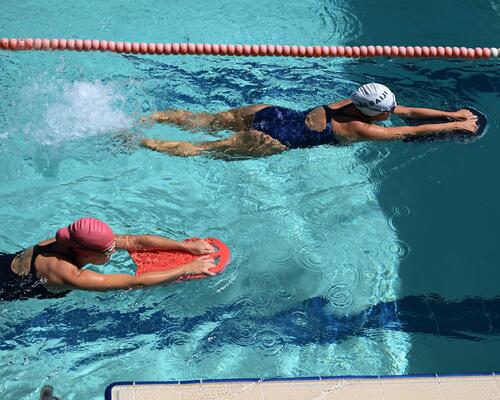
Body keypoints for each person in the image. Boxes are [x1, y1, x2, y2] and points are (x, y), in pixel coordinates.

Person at [140, 82, 478, 158]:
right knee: (205, 148)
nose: (395, 112)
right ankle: (145, 142)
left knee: (204, 121)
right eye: (389, 110)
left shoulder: (351, 103)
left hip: (266, 112)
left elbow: (407, 113)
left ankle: (149, 117)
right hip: (270, 140)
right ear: (377, 113)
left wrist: (451, 112)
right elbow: (406, 131)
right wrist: (455, 126)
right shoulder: (361, 128)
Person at [0, 217, 216, 301]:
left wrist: (185, 246)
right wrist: (189, 268)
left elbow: (134, 242)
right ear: (86, 253)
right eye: (108, 252)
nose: (113, 252)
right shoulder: (67, 274)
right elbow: (134, 282)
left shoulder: (74, 240)